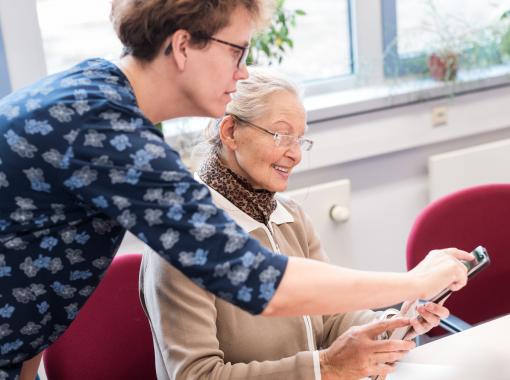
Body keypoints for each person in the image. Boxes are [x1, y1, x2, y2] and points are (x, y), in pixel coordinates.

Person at [0, 1, 471, 378]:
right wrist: (412, 282)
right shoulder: (104, 131)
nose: (243, 71)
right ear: (183, 45)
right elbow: (259, 281)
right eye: (237, 51)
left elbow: (40, 284)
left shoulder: (98, 100)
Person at [140, 68, 452, 380]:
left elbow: (331, 316)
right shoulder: (178, 240)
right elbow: (198, 375)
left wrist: (392, 327)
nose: (296, 155)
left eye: (300, 139)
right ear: (231, 132)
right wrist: (326, 367)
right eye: (282, 135)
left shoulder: (289, 216)